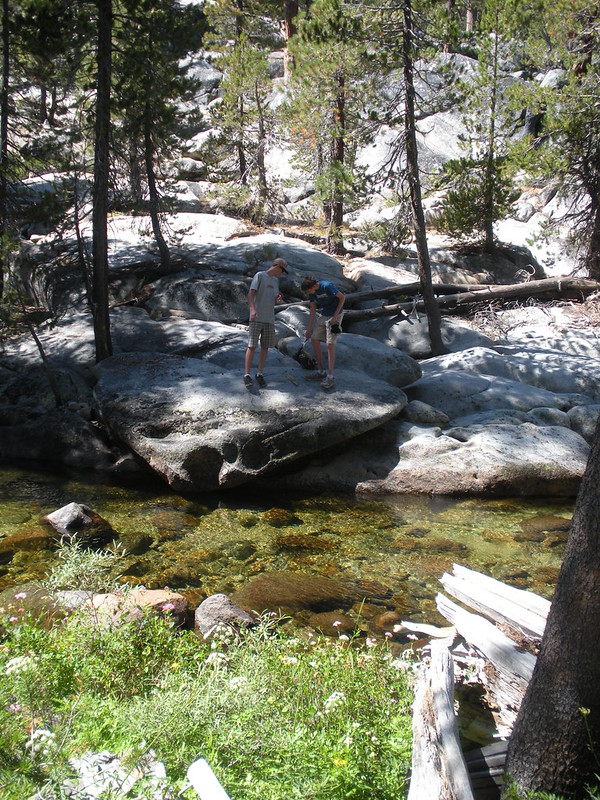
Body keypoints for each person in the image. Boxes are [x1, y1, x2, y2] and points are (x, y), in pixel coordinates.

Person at [243, 257, 288, 388]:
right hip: (257, 317)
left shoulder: (275, 281)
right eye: (282, 270)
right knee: (252, 346)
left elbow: (274, 298)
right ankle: (247, 375)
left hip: (269, 318)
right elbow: (251, 293)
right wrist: (252, 309)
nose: (282, 273)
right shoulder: (260, 275)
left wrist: (277, 299)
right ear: (277, 266)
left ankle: (259, 373)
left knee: (265, 347)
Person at [301, 275, 345, 390]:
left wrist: (335, 316)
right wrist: (309, 328)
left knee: (330, 344)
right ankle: (321, 372)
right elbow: (313, 309)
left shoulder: (327, 286)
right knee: (314, 339)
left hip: (336, 315)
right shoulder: (311, 292)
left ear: (314, 285)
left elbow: (342, 298)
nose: (309, 293)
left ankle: (330, 377)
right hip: (324, 315)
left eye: (309, 290)